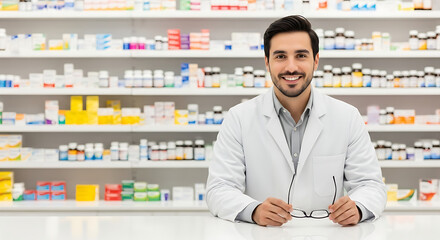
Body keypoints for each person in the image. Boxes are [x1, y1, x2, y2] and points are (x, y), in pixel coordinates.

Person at [206, 15, 386, 227]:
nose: (291, 67)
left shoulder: (347, 117)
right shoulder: (239, 118)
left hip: (328, 234)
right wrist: (254, 211)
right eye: (280, 56)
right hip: (264, 235)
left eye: (301, 55)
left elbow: (371, 185)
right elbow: (219, 188)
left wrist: (358, 207)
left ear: (316, 60)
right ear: (267, 62)